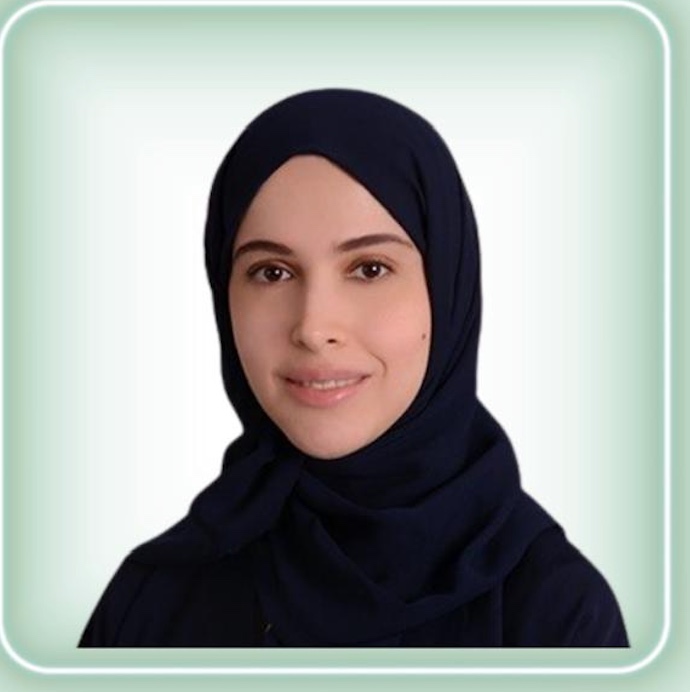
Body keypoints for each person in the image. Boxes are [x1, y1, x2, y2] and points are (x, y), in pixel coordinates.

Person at [79, 88, 628, 647]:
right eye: (271, 272)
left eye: (369, 268)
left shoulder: (557, 618)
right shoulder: (152, 603)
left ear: (447, 290)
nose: (313, 326)